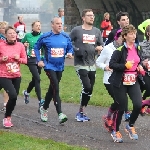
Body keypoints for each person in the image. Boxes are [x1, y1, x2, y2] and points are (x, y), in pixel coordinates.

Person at [109, 24, 145, 143]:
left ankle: (130, 125)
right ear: (124, 36)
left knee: (138, 105)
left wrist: (140, 67)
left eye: (134, 33)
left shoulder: (137, 48)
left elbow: (137, 61)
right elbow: (111, 64)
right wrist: (124, 66)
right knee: (122, 107)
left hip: (133, 80)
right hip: (120, 82)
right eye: (130, 34)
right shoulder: (119, 50)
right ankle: (115, 130)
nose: (133, 36)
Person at [34, 16, 73, 124]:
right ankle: (60, 113)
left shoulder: (65, 36)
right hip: (49, 66)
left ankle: (44, 108)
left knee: (52, 89)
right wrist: (39, 60)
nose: (60, 25)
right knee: (56, 87)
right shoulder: (45, 36)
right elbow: (36, 47)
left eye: (61, 24)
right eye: (57, 24)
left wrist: (70, 53)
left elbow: (70, 47)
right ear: (52, 25)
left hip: (60, 66)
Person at [69, 9, 103, 122]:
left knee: (90, 89)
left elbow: (101, 45)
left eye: (93, 16)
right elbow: (68, 42)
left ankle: (82, 111)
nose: (92, 17)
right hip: (80, 63)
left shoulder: (97, 31)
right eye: (89, 15)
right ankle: (80, 112)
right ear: (83, 18)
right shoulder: (77, 30)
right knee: (87, 87)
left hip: (92, 64)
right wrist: (75, 50)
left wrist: (99, 48)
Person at [96, 29, 123, 132]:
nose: (123, 39)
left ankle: (108, 117)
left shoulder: (124, 49)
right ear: (116, 37)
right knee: (119, 102)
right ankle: (112, 123)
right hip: (109, 80)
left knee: (119, 102)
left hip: (120, 79)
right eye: (121, 37)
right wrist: (105, 67)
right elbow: (98, 62)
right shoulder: (108, 49)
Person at [0, 26, 27, 128]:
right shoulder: (1, 45)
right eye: (10, 33)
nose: (12, 35)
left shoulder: (20, 45)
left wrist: (18, 59)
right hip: (3, 75)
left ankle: (8, 117)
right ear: (5, 35)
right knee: (13, 95)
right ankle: (7, 117)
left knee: (14, 98)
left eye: (14, 33)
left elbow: (25, 60)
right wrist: (2, 59)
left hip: (16, 75)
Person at [21, 21, 44, 112]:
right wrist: (24, 44)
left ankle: (27, 92)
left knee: (35, 79)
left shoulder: (42, 36)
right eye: (36, 26)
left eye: (39, 25)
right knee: (37, 79)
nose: (38, 27)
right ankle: (40, 100)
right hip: (30, 59)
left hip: (39, 60)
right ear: (32, 27)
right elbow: (20, 44)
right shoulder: (27, 36)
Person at [139, 25, 150, 115]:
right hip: (145, 71)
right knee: (149, 88)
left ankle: (144, 104)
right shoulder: (142, 45)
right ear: (148, 33)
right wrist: (143, 62)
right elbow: (137, 59)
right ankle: (142, 103)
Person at [0, 21, 9, 111]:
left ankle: (5, 104)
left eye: (6, 27)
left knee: (7, 85)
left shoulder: (10, 39)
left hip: (7, 65)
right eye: (3, 27)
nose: (4, 29)